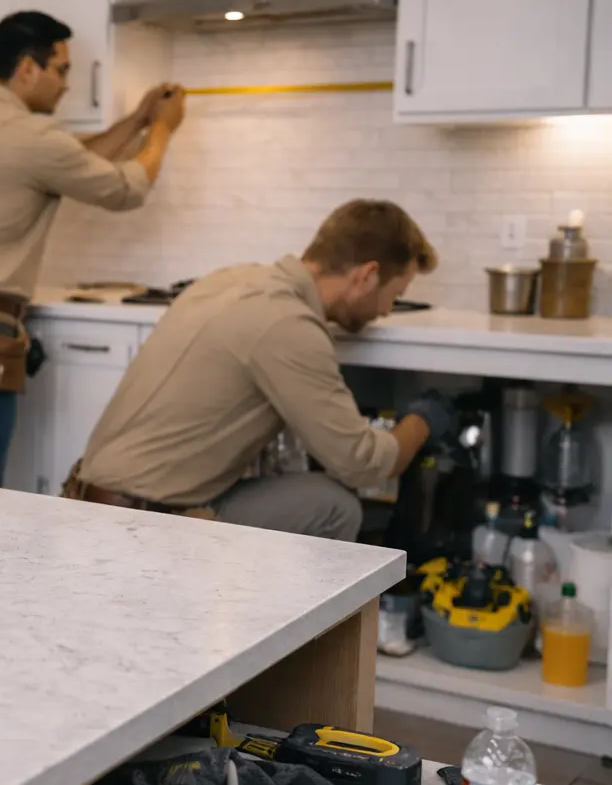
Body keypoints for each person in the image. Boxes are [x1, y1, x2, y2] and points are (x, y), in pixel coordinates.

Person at [0, 10, 185, 487]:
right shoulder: (34, 138)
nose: (66, 85)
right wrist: (163, 130)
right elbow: (125, 189)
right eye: (61, 70)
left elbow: (68, 161)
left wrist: (136, 121)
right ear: (28, 68)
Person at [64, 199, 456, 542]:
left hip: (85, 497)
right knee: (335, 506)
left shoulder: (232, 281)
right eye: (394, 296)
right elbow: (363, 464)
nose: (386, 311)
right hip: (140, 527)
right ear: (366, 276)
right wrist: (422, 421)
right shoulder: (288, 324)